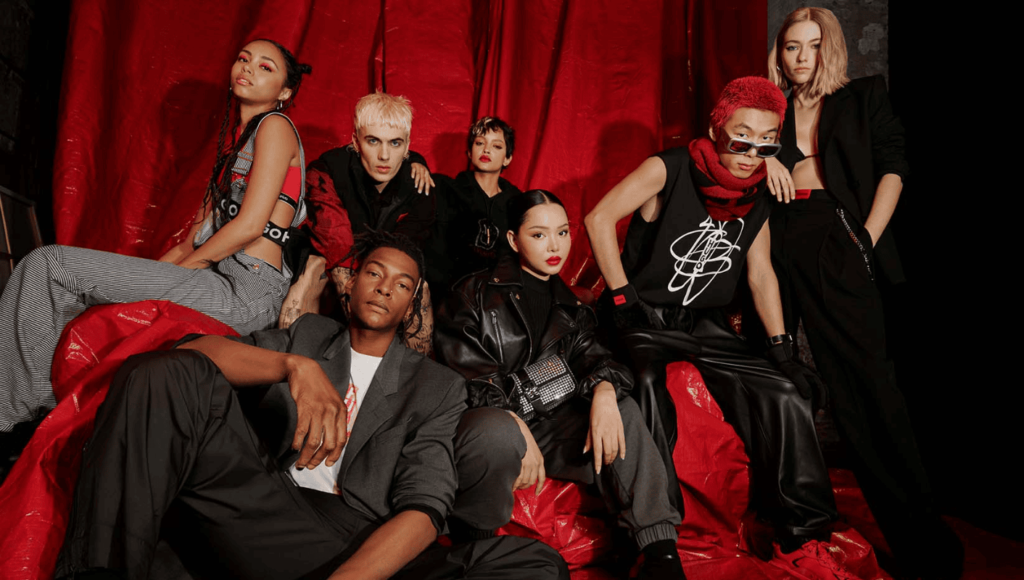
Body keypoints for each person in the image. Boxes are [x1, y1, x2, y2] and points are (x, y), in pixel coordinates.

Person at [54, 231, 568, 580]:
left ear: (413, 303)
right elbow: (194, 354)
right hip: (263, 503)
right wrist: (293, 367)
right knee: (161, 372)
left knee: (535, 564)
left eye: (402, 285)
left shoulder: (435, 385)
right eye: (375, 273)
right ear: (352, 282)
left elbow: (426, 507)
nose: (385, 289)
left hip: (350, 537)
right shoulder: (308, 335)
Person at [584, 77, 854, 580]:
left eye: (766, 143)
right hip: (644, 315)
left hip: (704, 323)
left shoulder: (759, 190)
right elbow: (599, 218)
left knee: (786, 389)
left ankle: (804, 531)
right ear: (716, 129)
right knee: (646, 384)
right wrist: (621, 299)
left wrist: (782, 348)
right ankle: (655, 538)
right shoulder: (669, 167)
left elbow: (760, 272)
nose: (752, 154)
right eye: (741, 140)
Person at [0, 39, 311, 432]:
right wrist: (141, 279)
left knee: (50, 265)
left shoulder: (275, 127)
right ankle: (43, 412)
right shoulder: (236, 144)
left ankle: (9, 418)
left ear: (285, 92)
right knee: (76, 289)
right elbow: (189, 242)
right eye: (243, 58)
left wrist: (184, 271)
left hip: (247, 290)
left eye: (266, 67)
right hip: (218, 280)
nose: (248, 67)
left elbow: (249, 226)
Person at [765, 8, 962, 578]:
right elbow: (732, 152)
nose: (801, 58)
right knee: (791, 384)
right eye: (791, 47)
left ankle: (930, 549)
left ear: (830, 48)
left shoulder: (862, 95)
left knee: (870, 392)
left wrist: (866, 241)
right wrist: (767, 160)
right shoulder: (771, 109)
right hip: (779, 240)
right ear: (779, 53)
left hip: (839, 234)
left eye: (812, 45)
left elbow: (893, 167)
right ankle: (783, 520)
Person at [436, 190, 686, 580]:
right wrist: (515, 425)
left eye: (563, 232)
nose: (555, 246)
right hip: (484, 424)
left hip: (548, 426)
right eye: (539, 235)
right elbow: (469, 381)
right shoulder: (472, 294)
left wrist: (604, 390)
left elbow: (597, 358)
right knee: (498, 429)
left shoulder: (572, 306)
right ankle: (478, 549)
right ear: (513, 240)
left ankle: (660, 554)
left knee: (622, 408)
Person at [279, 92, 436, 327]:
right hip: (332, 273)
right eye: (373, 141)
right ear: (355, 141)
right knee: (312, 270)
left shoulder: (420, 184)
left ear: (407, 147)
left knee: (418, 289)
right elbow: (337, 246)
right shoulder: (326, 170)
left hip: (385, 280)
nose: (384, 156)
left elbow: (402, 253)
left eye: (395, 143)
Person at [431, 116, 523, 296]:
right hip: (447, 294)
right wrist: (416, 161)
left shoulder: (517, 203)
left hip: (498, 297)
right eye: (480, 143)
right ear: (469, 152)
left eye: (496, 146)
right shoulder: (444, 188)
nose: (486, 149)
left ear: (507, 158)